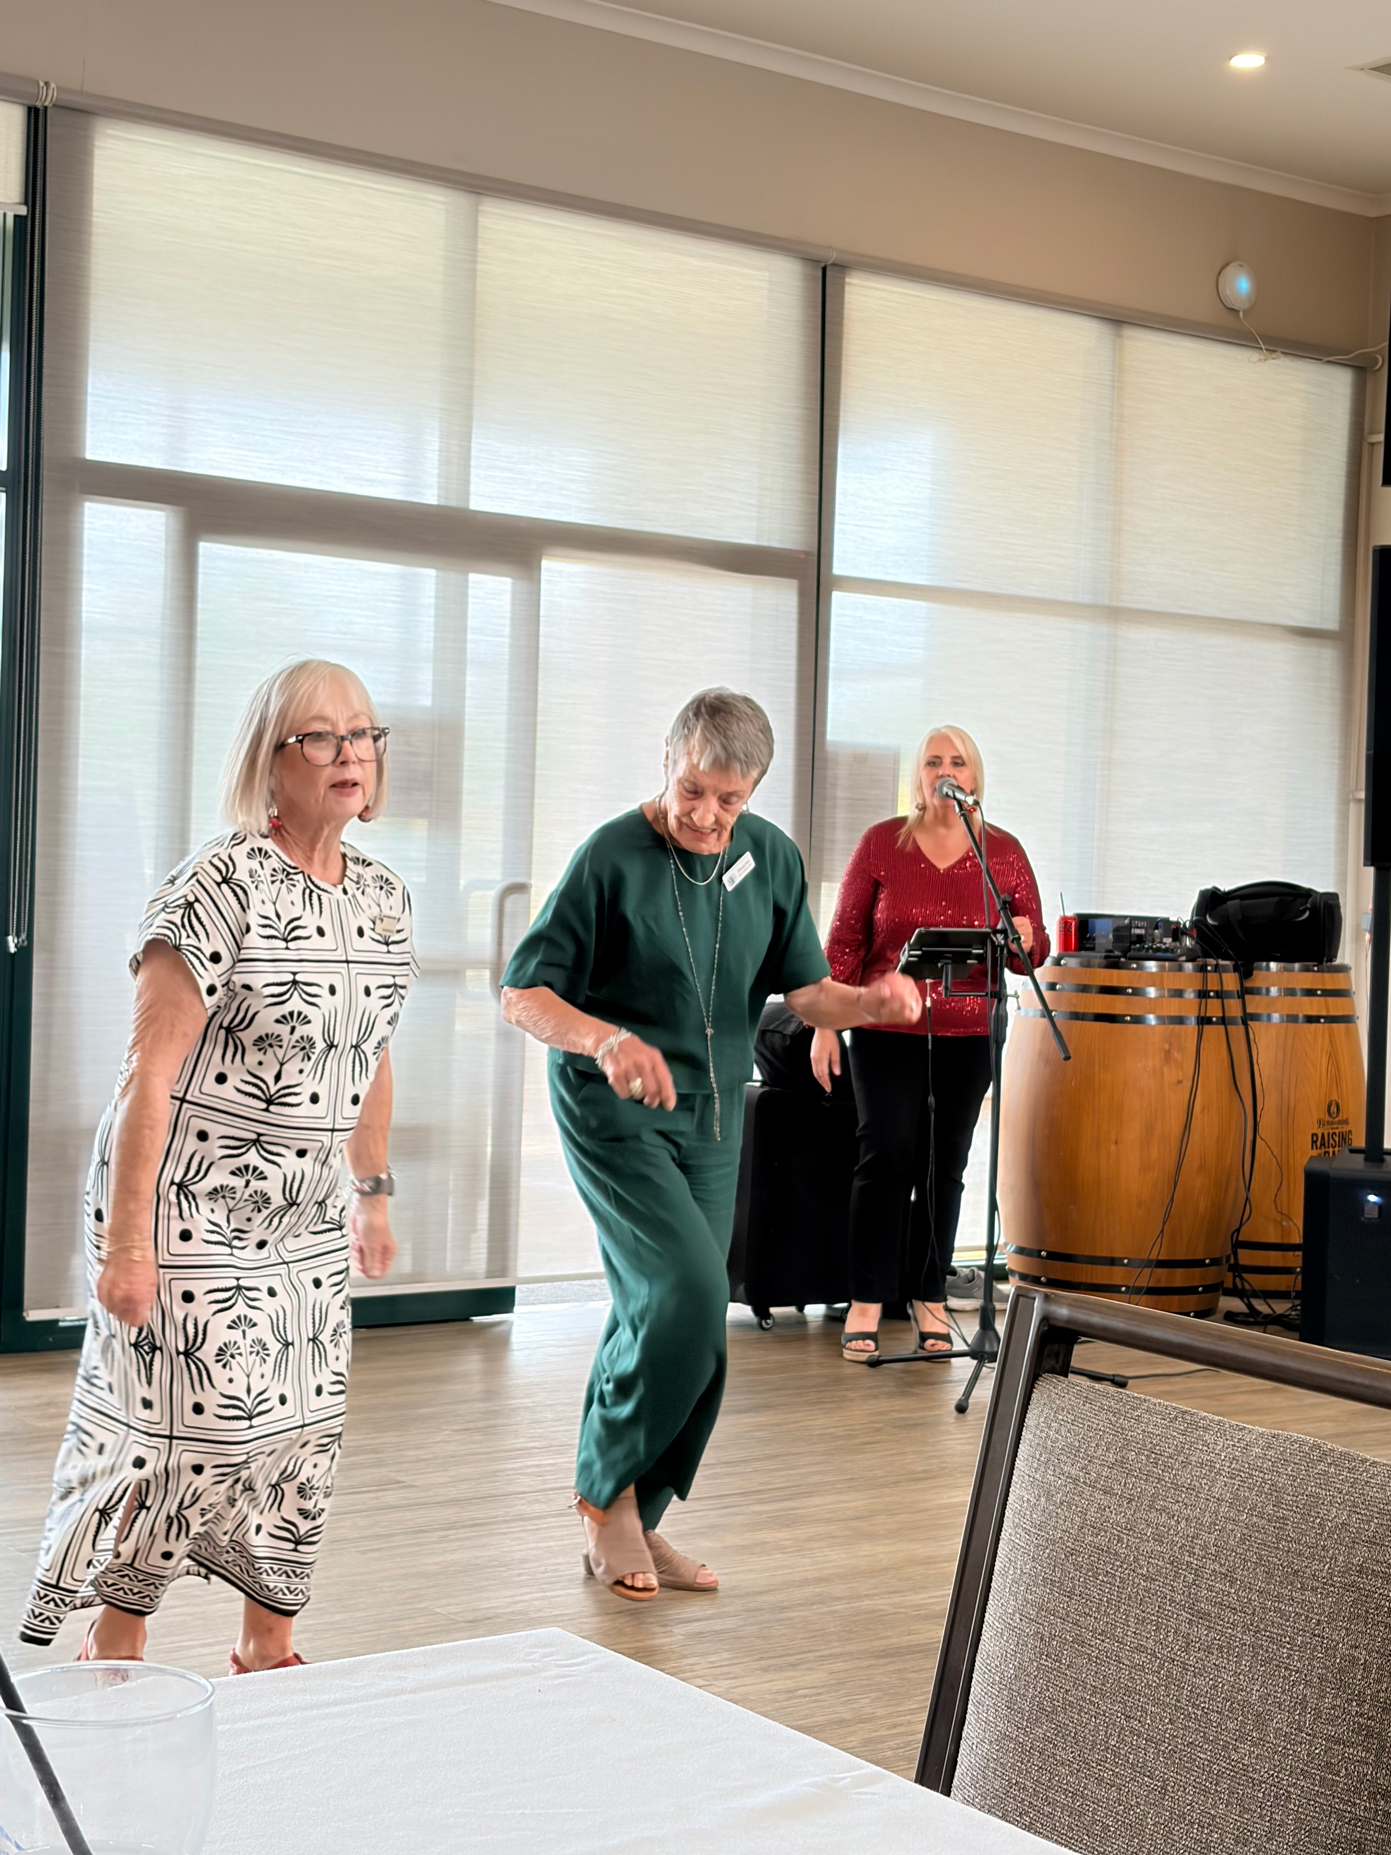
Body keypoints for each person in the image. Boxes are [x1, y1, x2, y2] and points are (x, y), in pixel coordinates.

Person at [21, 660, 418, 1671]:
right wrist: (127, 1245)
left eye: (362, 733)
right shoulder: (215, 886)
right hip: (185, 1199)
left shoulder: (383, 897)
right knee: (200, 1431)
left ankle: (267, 1643)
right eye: (321, 736)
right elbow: (145, 1077)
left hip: (305, 1210)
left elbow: (368, 1056)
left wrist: (371, 1192)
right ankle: (117, 1638)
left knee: (303, 1432)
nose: (349, 754)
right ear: (268, 761)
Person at [501, 689, 921, 1600]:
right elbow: (522, 993)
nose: (706, 815)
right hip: (614, 1105)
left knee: (676, 1317)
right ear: (667, 759)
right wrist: (605, 1041)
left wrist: (868, 1003)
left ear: (753, 791)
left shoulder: (769, 856)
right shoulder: (611, 856)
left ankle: (637, 1513)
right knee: (687, 1294)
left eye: (729, 800)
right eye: (692, 790)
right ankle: (604, 1498)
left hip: (714, 1115)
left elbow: (806, 992)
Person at [812, 726, 1047, 1364]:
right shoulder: (880, 844)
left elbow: (1030, 954)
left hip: (971, 1034)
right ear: (918, 777)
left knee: (946, 1166)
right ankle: (866, 1298)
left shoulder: (1003, 853)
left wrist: (1026, 937)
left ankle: (930, 1295)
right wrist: (826, 1023)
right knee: (885, 1156)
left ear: (974, 777)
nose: (946, 771)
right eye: (933, 761)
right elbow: (844, 944)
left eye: (958, 762)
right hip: (885, 1030)